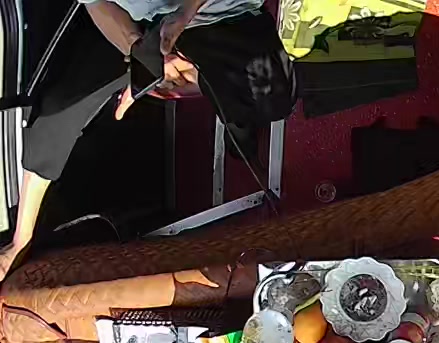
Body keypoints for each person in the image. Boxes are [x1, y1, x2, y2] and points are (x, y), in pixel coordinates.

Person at [0, 0, 296, 282]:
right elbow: (97, 5)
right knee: (57, 111)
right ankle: (21, 239)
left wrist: (184, 21)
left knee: (272, 99)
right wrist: (141, 55)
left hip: (218, 17)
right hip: (137, 28)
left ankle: (226, 108)